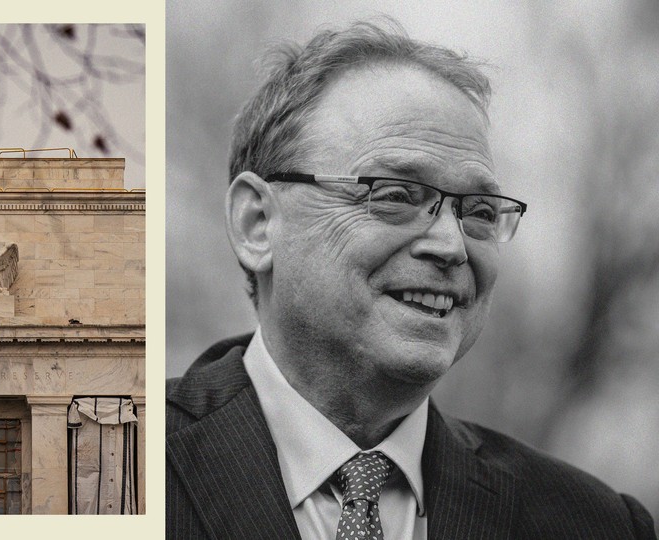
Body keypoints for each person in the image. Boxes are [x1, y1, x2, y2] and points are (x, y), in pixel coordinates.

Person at [166, 21, 656, 539]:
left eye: (480, 211)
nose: (451, 246)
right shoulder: (99, 474)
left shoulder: (594, 525)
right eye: (396, 195)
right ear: (257, 224)